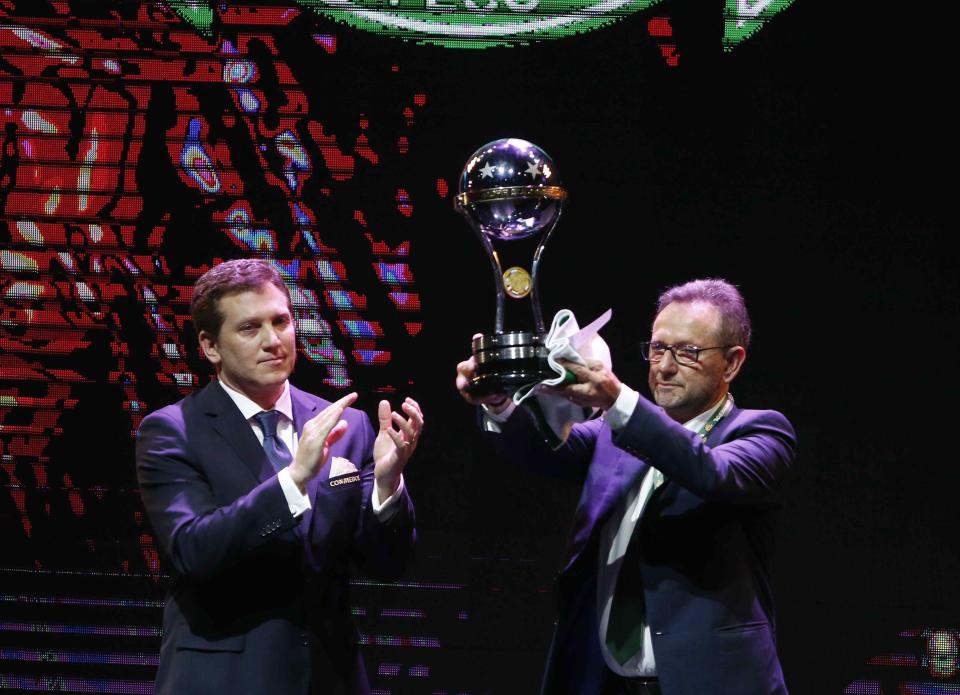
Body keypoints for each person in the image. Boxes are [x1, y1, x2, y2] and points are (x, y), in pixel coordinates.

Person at [456, 278, 796, 695]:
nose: (665, 366)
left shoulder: (761, 434)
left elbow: (710, 472)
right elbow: (544, 450)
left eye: (687, 352)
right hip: (605, 682)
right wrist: (499, 401)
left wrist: (619, 401)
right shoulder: (614, 432)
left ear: (731, 363)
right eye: (657, 348)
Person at [136, 258, 422, 695]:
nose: (273, 341)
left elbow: (388, 564)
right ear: (211, 346)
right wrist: (293, 480)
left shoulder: (350, 426)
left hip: (330, 678)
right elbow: (193, 550)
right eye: (250, 328)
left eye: (281, 321)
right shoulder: (173, 430)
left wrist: (387, 485)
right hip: (225, 681)